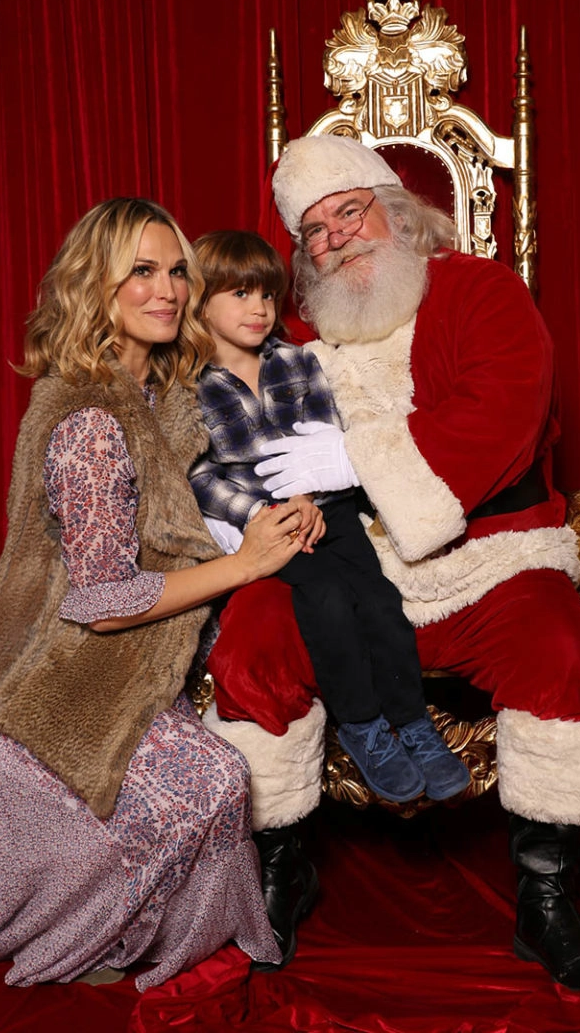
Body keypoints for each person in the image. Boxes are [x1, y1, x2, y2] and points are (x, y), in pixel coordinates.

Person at [205, 135, 580, 1001]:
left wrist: (356, 459)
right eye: (315, 231)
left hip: (489, 559)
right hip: (343, 564)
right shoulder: (291, 337)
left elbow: (504, 410)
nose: (337, 238)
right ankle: (280, 871)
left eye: (349, 212)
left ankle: (545, 900)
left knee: (555, 651)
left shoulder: (482, 292)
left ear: (396, 212)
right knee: (251, 642)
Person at [0, 197, 308, 990]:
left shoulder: (172, 392)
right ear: (98, 285)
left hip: (139, 669)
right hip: (51, 678)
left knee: (224, 772)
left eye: (178, 272)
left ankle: (135, 926)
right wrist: (246, 564)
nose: (168, 290)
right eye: (142, 272)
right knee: (216, 782)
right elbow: (104, 603)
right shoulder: (89, 419)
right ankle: (84, 942)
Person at [188, 229, 470, 809]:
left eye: (268, 295)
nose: (259, 308)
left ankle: (413, 724)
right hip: (263, 529)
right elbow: (198, 476)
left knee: (380, 599)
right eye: (240, 294)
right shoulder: (189, 387)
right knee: (328, 601)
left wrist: (310, 499)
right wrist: (261, 515)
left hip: (327, 511)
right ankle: (364, 726)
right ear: (202, 302)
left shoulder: (297, 361)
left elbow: (326, 435)